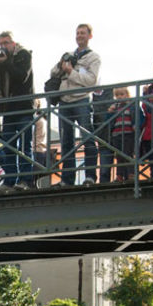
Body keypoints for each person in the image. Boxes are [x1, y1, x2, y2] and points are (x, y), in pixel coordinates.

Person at [50, 24, 101, 186]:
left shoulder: (93, 57)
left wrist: (71, 72)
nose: (79, 36)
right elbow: (52, 73)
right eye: (77, 33)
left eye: (83, 33)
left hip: (82, 100)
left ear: (89, 36)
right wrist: (61, 66)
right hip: (64, 101)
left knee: (88, 139)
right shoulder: (69, 55)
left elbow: (91, 81)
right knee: (66, 141)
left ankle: (90, 176)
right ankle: (67, 179)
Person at [0, 30, 35, 189]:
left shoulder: (24, 55)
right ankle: (10, 180)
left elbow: (21, 76)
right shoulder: (1, 60)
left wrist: (6, 62)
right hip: (7, 109)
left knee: (24, 146)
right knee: (8, 146)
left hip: (24, 107)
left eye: (6, 43)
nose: (3, 47)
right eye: (1, 44)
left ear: (13, 43)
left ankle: (26, 179)